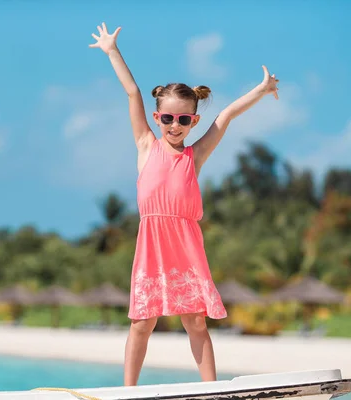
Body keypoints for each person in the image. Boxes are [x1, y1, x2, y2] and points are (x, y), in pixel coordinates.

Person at [89, 22, 279, 386]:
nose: (174, 125)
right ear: (158, 116)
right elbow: (132, 94)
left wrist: (261, 89)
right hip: (152, 244)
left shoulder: (194, 156)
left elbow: (225, 117)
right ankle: (128, 391)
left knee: (195, 320)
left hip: (186, 244)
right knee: (142, 321)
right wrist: (112, 50)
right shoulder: (146, 145)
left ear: (193, 121)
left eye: (183, 119)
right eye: (167, 117)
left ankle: (211, 389)